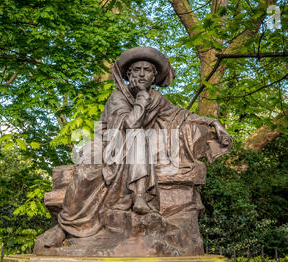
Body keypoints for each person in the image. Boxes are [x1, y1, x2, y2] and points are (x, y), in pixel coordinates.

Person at [36, 46, 232, 249]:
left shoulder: (157, 99)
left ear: (154, 76)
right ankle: (66, 226)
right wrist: (141, 98)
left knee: (139, 138)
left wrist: (212, 122)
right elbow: (129, 124)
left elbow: (181, 115)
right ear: (128, 74)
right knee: (88, 171)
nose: (141, 74)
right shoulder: (118, 97)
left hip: (136, 145)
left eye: (147, 70)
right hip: (109, 141)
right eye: (136, 70)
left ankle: (140, 197)